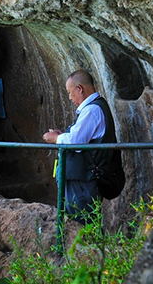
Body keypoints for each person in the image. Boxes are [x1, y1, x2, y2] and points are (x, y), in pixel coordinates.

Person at [42, 69, 116, 223]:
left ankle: (91, 247)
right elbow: (82, 138)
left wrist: (56, 139)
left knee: (81, 222)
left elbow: (76, 141)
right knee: (78, 221)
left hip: (83, 181)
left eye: (70, 92)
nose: (69, 97)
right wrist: (62, 135)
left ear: (80, 89)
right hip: (80, 179)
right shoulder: (94, 108)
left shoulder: (92, 110)